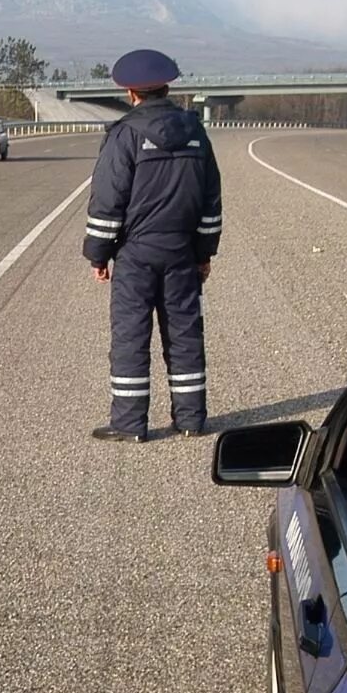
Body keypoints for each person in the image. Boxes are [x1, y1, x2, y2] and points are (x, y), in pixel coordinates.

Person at [81, 48, 222, 441]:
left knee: (130, 334)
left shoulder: (124, 135)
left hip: (136, 255)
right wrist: (204, 251)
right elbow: (210, 199)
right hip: (180, 252)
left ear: (131, 93)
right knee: (185, 333)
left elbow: (108, 202)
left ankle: (130, 425)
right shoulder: (196, 132)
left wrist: (99, 253)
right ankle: (192, 420)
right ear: (166, 87)